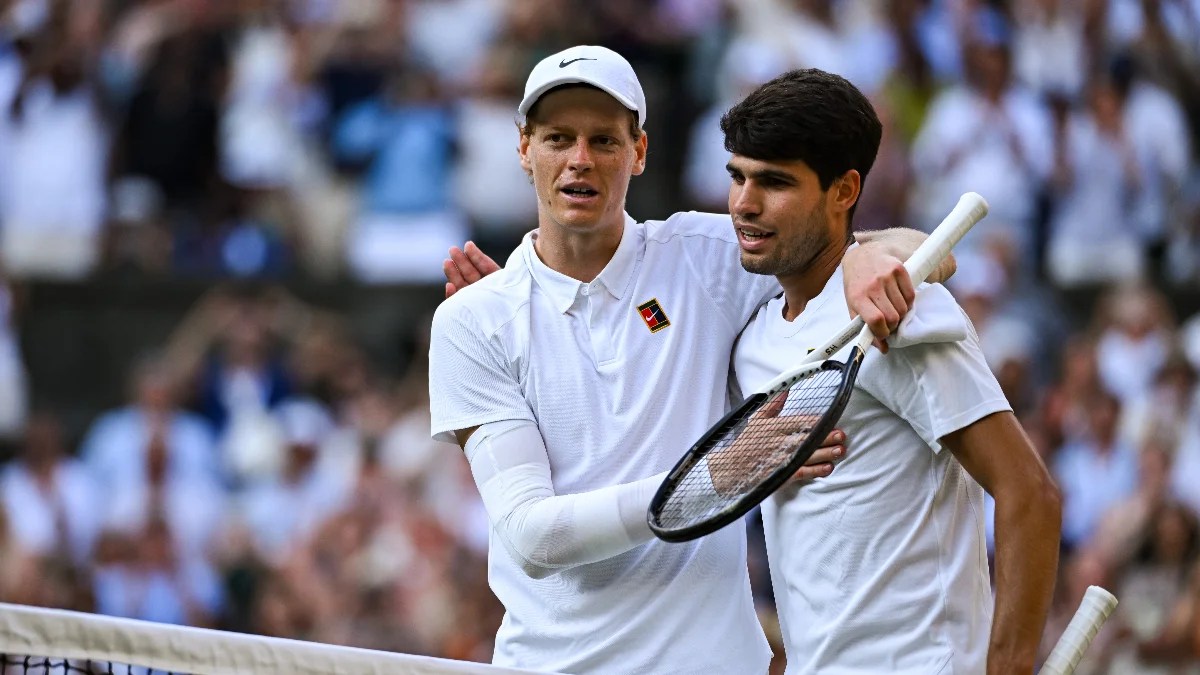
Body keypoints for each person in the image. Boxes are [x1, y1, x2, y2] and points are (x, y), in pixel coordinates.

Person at [429, 46, 951, 674]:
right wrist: (717, 476)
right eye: (558, 138)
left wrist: (866, 253)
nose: (579, 160)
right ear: (523, 148)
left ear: (640, 152)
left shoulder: (705, 257)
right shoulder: (472, 321)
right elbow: (533, 537)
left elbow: (932, 252)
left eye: (604, 140)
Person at [723, 68, 1061, 673]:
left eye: (774, 182)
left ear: (844, 190)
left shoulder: (900, 315)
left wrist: (1008, 667)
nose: (745, 204)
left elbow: (1029, 494)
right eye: (737, 177)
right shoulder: (753, 335)